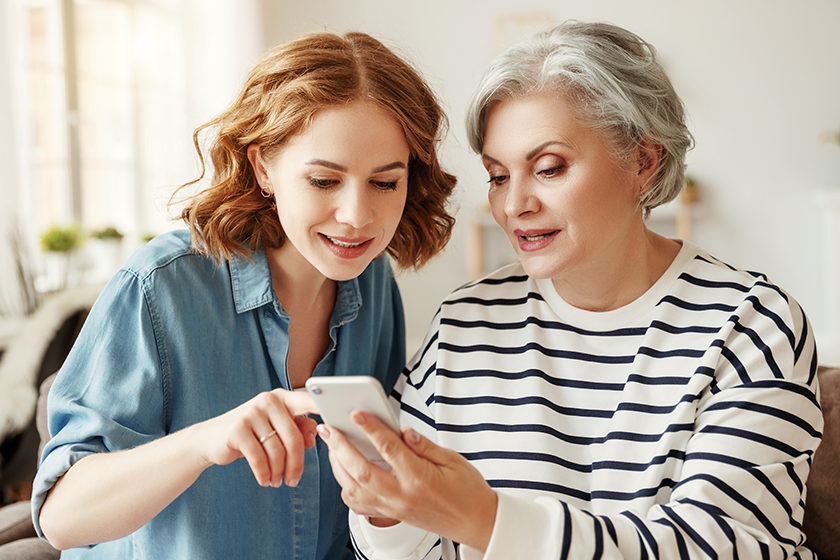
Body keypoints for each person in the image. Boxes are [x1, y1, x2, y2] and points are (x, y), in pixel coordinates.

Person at [319, 21, 823, 559]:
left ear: (642, 162)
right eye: (497, 176)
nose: (515, 205)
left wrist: (483, 520)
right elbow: (402, 551)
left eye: (549, 168)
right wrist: (384, 509)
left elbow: (725, 546)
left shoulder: (753, 326)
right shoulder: (466, 321)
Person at [30, 30, 456, 559]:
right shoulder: (162, 285)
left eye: (385, 183)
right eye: (324, 180)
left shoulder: (375, 286)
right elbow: (62, 518)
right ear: (263, 167)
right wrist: (206, 442)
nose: (357, 216)